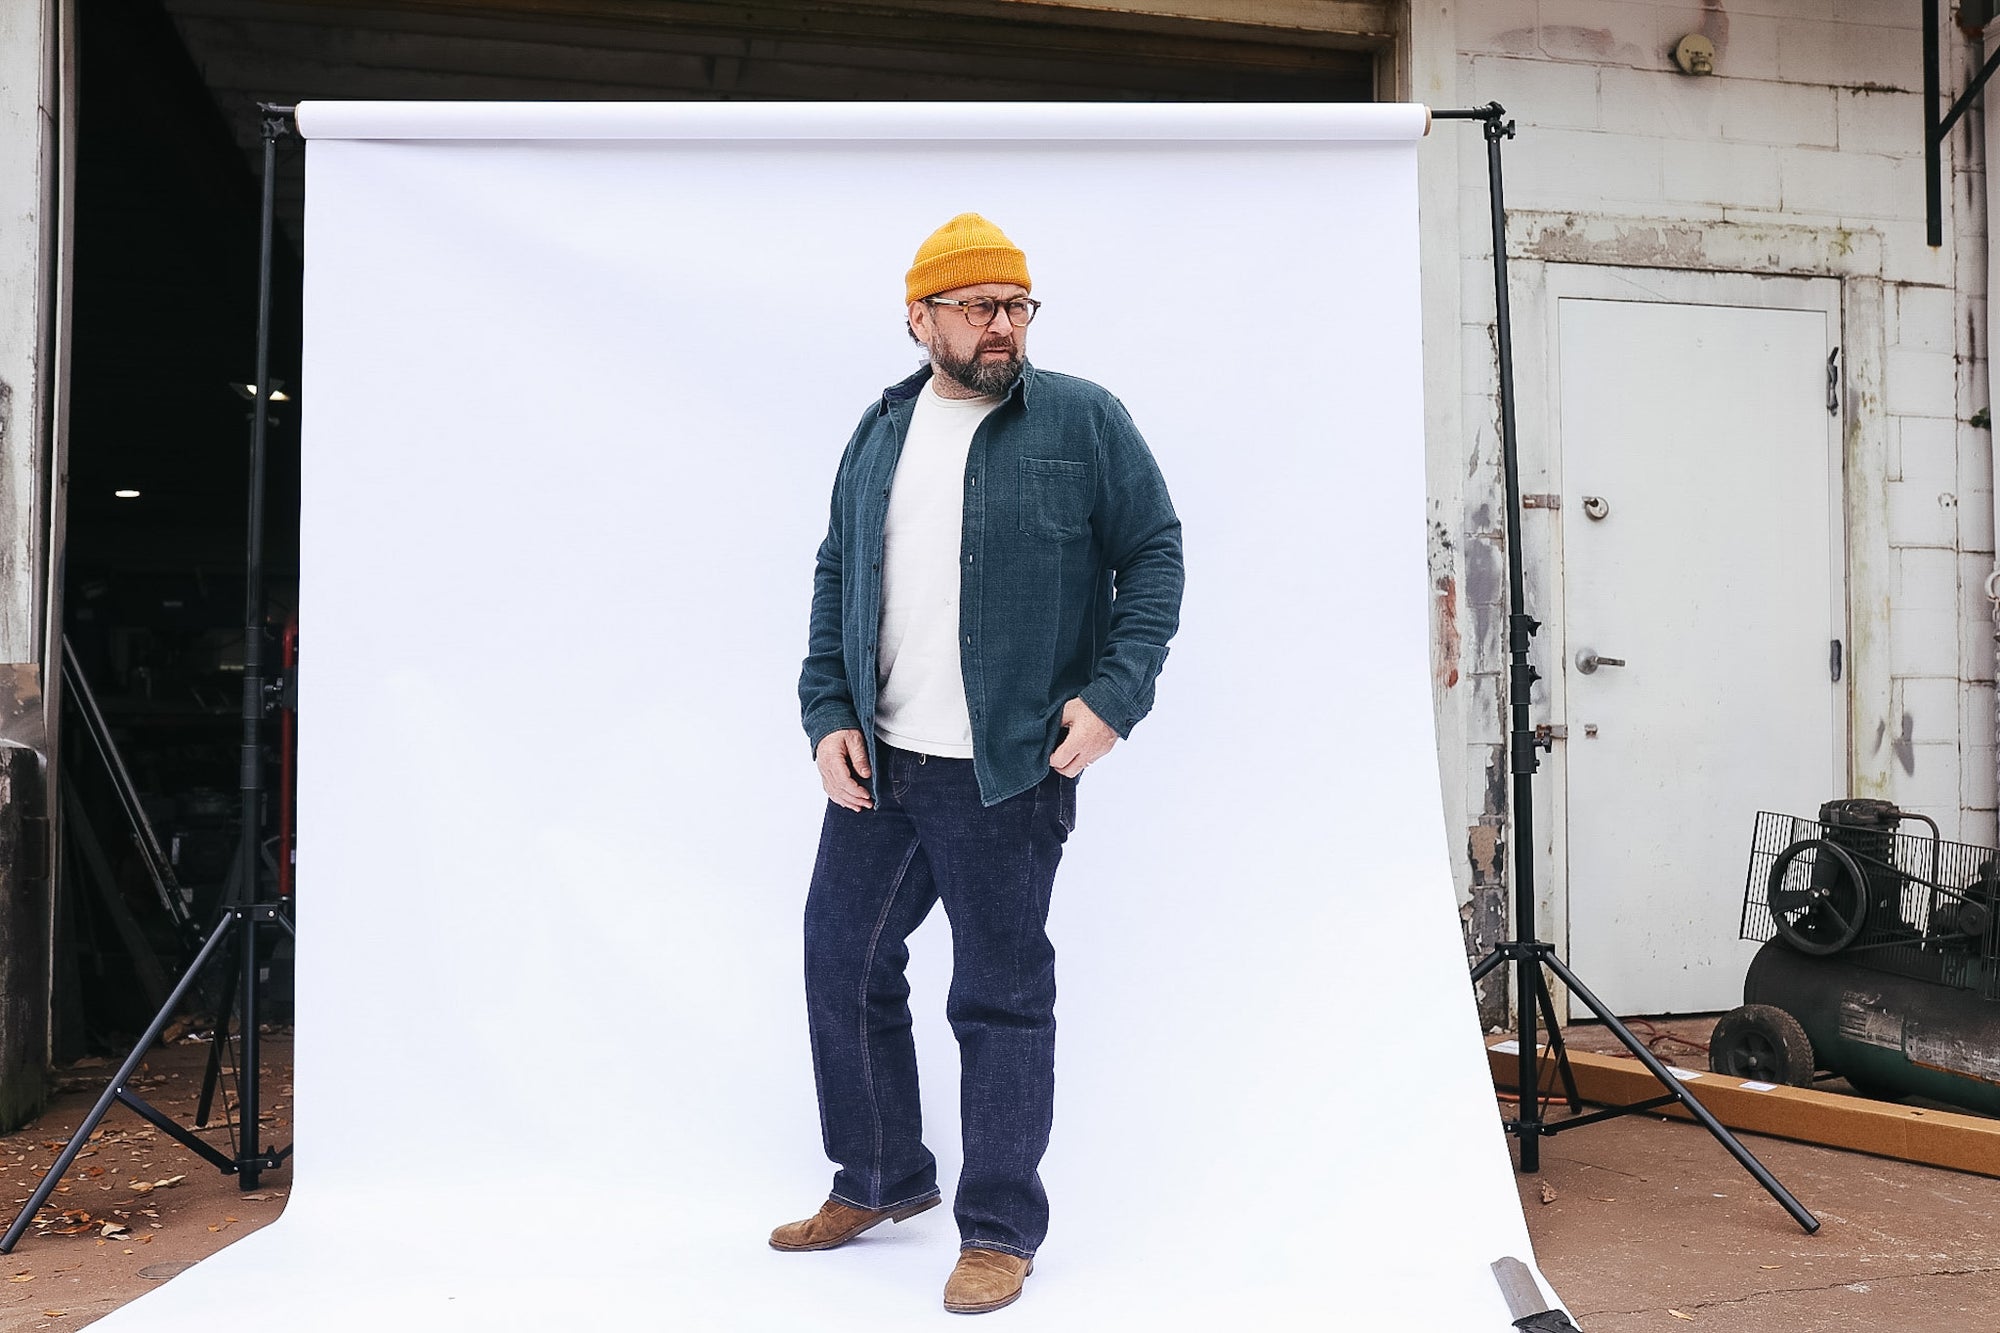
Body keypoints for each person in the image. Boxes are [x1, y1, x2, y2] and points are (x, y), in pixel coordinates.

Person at [772, 213, 1184, 1316]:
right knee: (840, 961)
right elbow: (833, 577)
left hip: (1006, 768)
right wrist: (826, 712)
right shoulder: (879, 431)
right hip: (882, 760)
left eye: (1015, 307)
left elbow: (1153, 552)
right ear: (919, 319)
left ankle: (998, 1228)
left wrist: (1113, 697)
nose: (1001, 329)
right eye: (975, 308)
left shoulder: (1082, 420)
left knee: (999, 996)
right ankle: (878, 1176)